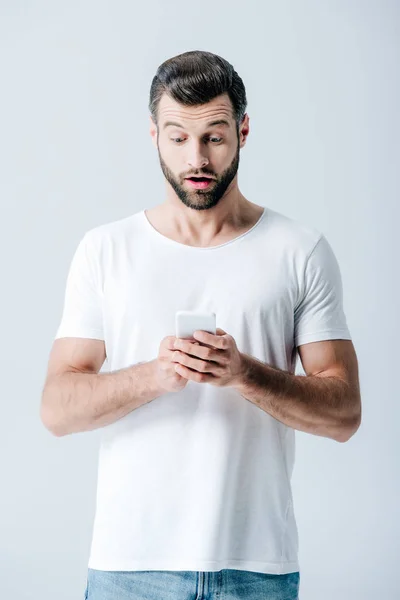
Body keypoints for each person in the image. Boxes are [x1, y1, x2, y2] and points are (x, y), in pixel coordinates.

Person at [40, 50, 362, 600]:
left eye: (214, 136)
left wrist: (245, 374)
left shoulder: (300, 250)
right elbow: (56, 409)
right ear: (153, 136)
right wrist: (154, 375)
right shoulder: (105, 250)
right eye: (178, 137)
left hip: (256, 567)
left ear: (242, 130)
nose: (197, 158)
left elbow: (344, 413)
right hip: (129, 568)